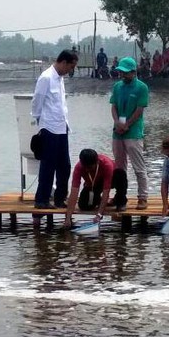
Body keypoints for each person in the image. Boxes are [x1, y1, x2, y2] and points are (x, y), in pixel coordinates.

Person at [31, 49, 78, 209]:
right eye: (70, 67)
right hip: (49, 127)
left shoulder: (60, 78)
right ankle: (42, 199)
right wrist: (40, 122)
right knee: (48, 165)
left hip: (62, 126)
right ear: (63, 62)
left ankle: (59, 198)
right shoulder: (46, 77)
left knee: (64, 165)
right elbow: (37, 101)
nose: (70, 71)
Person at [110, 57, 150, 210]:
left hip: (133, 132)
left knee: (138, 166)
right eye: (121, 72)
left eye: (125, 73)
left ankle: (143, 197)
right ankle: (120, 197)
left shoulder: (142, 87)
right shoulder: (117, 86)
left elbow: (139, 110)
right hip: (117, 132)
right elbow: (113, 106)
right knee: (119, 168)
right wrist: (116, 122)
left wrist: (127, 124)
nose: (122, 75)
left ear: (133, 72)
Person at [63, 149, 127, 228]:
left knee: (120, 174)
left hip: (110, 180)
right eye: (85, 167)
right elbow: (74, 192)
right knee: (84, 206)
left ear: (97, 162)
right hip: (93, 184)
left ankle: (119, 201)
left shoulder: (107, 164)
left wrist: (99, 214)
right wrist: (68, 217)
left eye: (89, 167)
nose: (87, 170)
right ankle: (100, 201)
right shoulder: (78, 167)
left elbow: (106, 191)